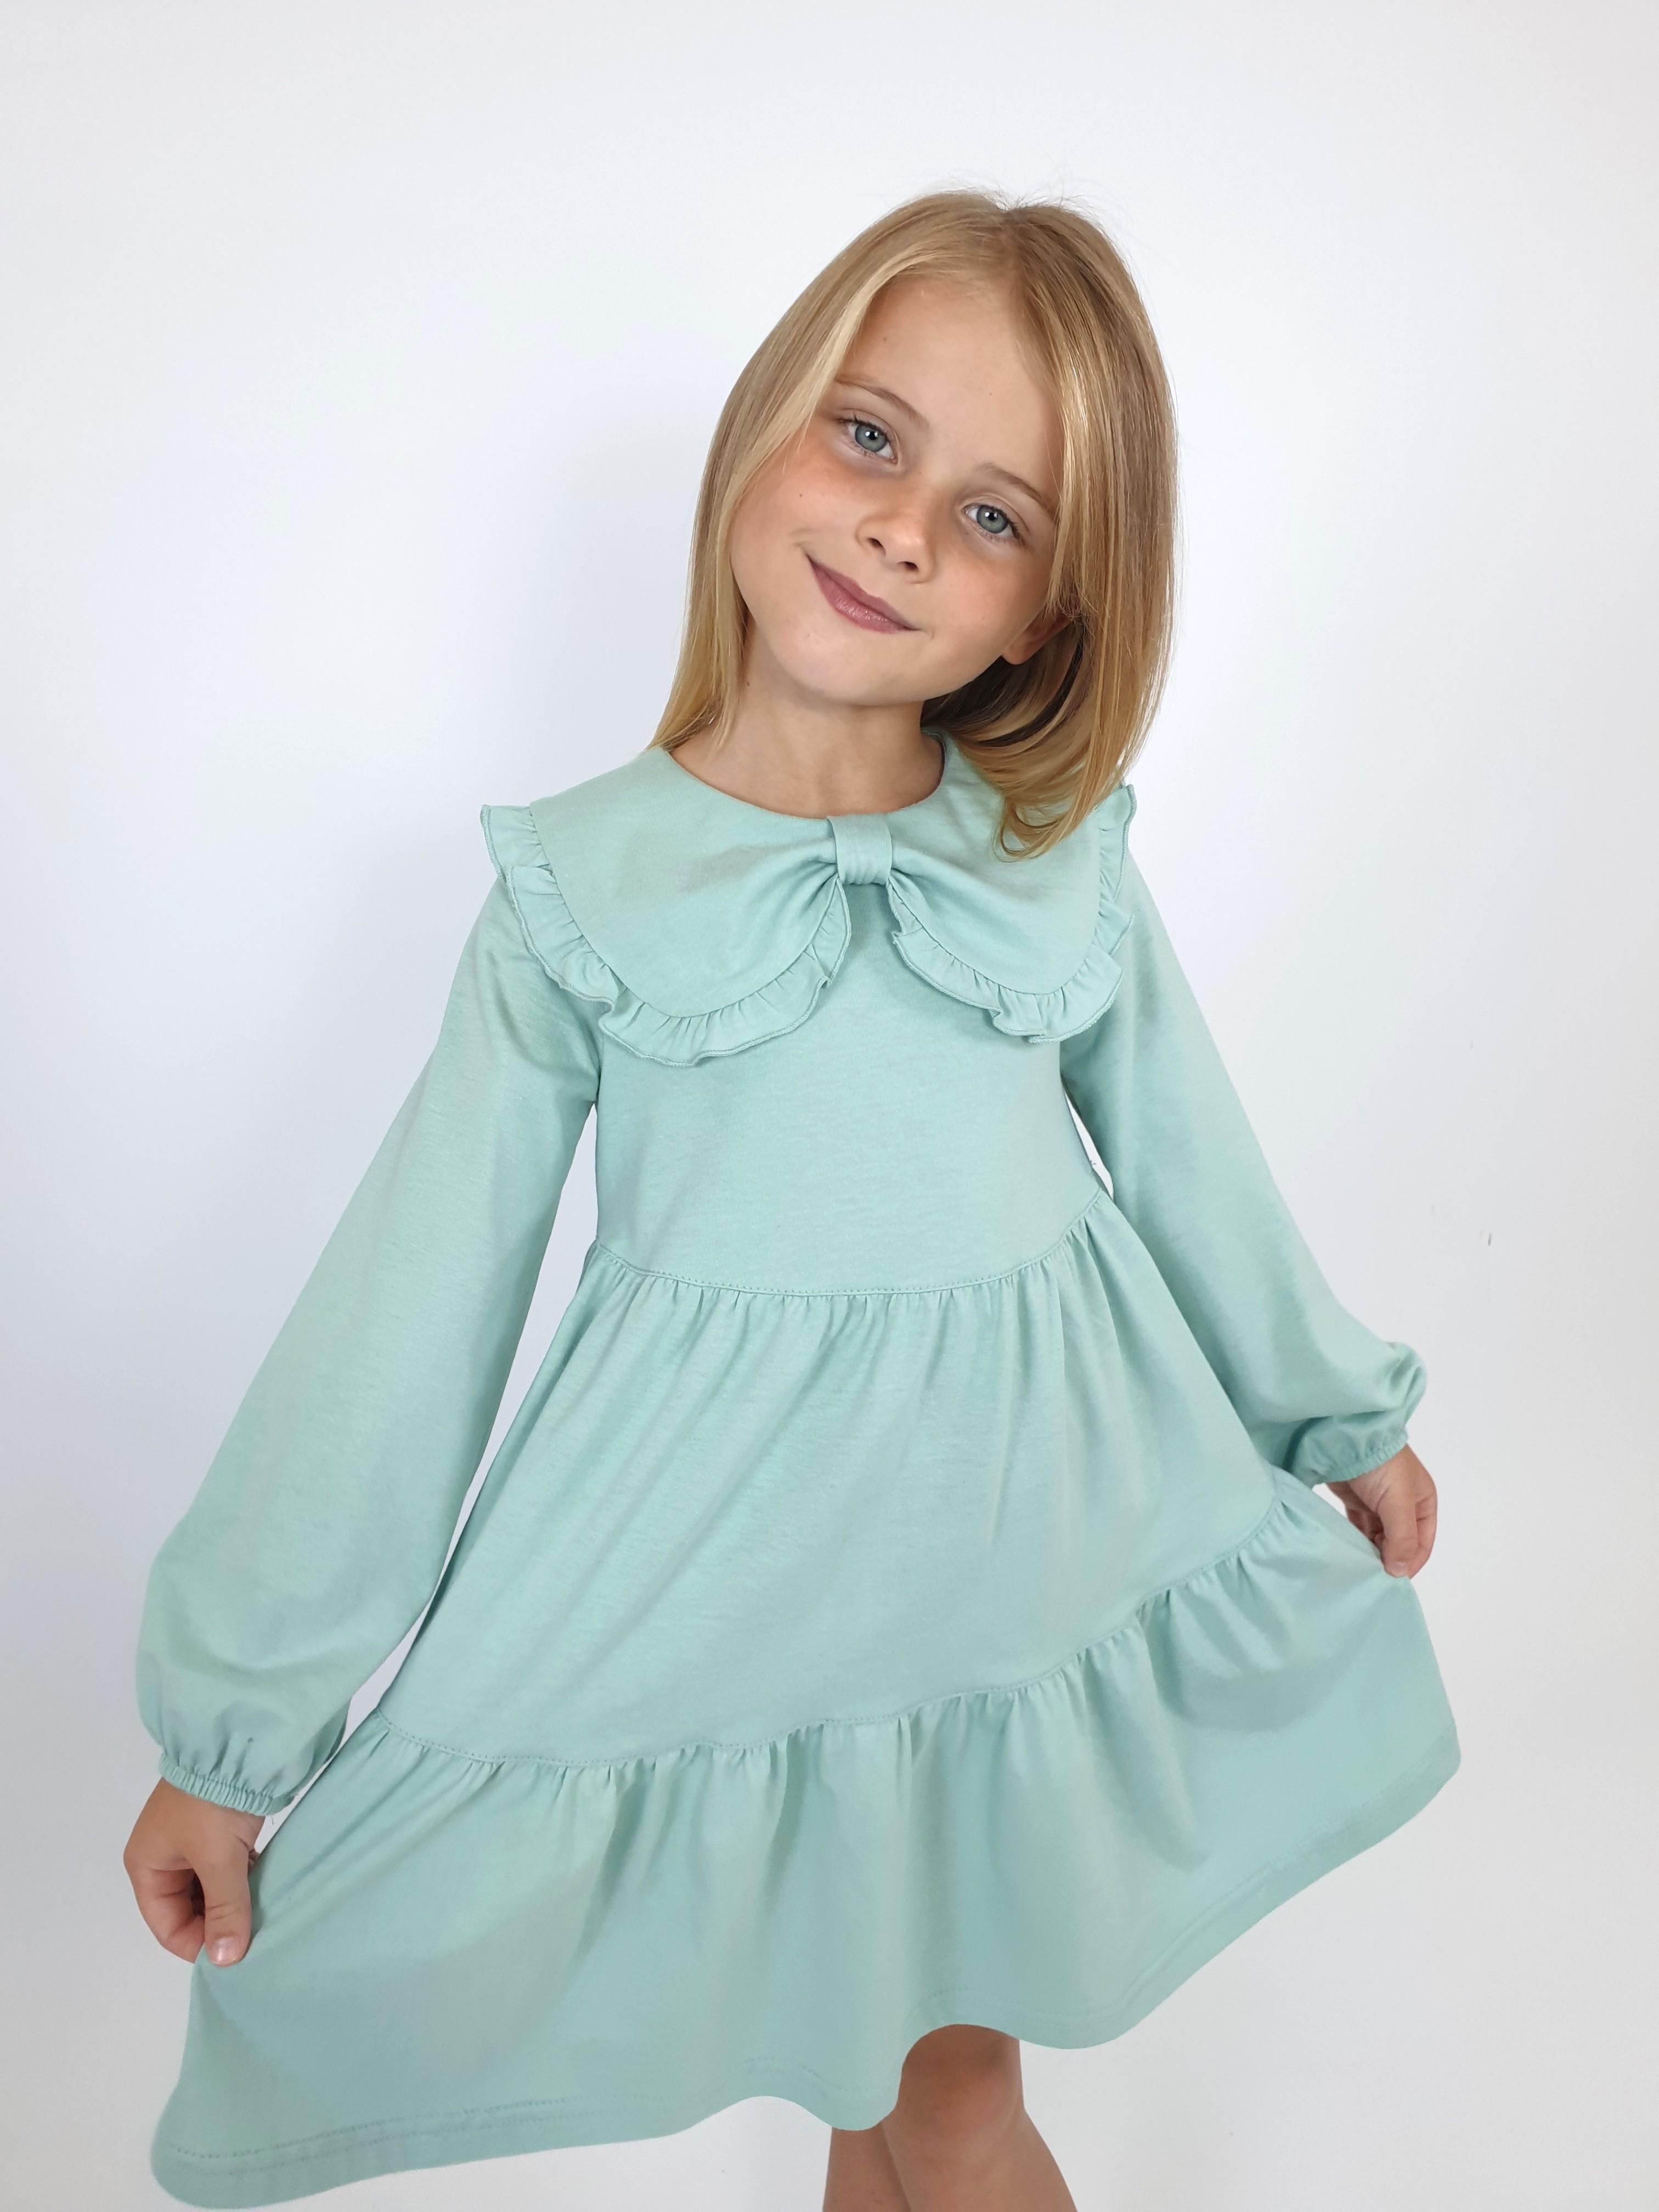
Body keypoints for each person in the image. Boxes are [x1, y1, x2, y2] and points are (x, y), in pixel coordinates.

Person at [124, 188, 1458, 2211]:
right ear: (766, 423)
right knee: (878, 2087)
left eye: (993, 516)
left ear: (1046, 618)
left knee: (948, 2095)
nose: (903, 529)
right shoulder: (579, 891)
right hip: (731, 1596)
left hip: (1008, 1576)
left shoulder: (1053, 858)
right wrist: (234, 1733)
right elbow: (411, 1307)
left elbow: (1193, 1159)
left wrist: (1330, 1409)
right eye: (869, 436)